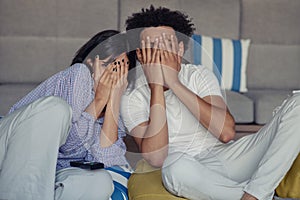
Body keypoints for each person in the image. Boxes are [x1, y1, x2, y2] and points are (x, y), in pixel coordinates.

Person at [120, 6, 300, 200]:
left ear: (180, 49)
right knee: (174, 167)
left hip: (231, 158)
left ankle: (255, 193)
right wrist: (156, 88)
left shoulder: (199, 75)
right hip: (188, 170)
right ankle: (262, 196)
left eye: (167, 45)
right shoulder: (131, 95)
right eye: (152, 47)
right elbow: (156, 157)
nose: (160, 54)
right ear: (140, 54)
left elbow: (225, 133)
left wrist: (174, 83)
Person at [0, 30, 131, 200]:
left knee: (100, 181)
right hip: (12, 144)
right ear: (92, 62)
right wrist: (99, 100)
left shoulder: (117, 98)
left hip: (54, 168)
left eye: (121, 70)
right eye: (110, 66)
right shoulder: (79, 74)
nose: (114, 77)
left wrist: (113, 99)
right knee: (57, 108)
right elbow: (69, 147)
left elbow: (107, 159)